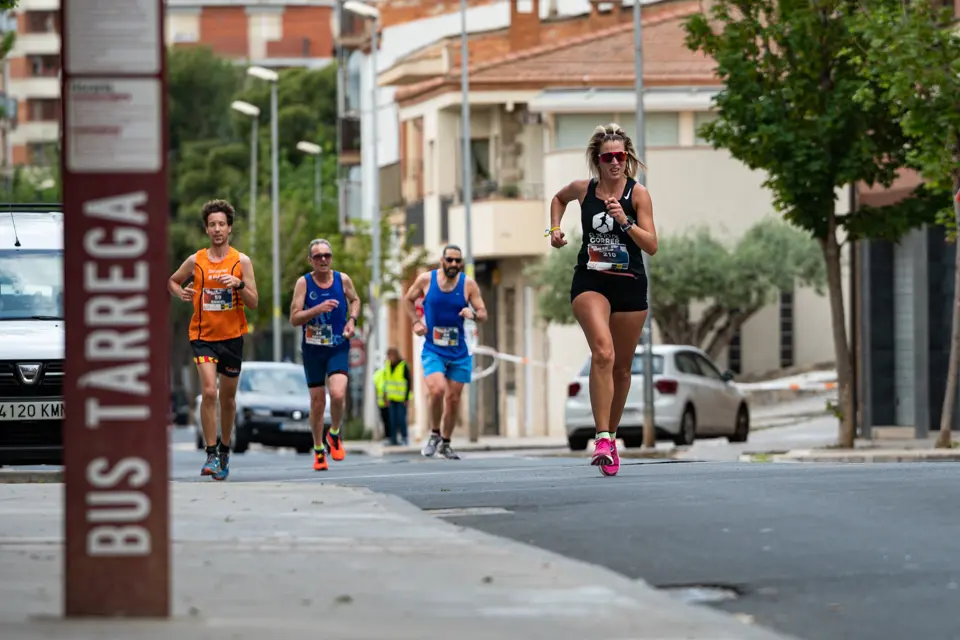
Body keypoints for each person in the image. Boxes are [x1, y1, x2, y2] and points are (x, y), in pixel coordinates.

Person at [547, 123, 658, 477]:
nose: (614, 162)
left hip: (629, 285)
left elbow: (652, 245)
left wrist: (625, 222)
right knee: (603, 352)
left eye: (620, 156)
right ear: (597, 160)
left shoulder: (638, 194)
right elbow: (558, 199)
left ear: (627, 159)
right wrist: (555, 230)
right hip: (591, 280)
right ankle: (602, 438)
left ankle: (611, 438)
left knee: (622, 368)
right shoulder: (584, 189)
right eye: (608, 157)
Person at [168, 199, 259, 481]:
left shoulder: (241, 261)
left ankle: (225, 450)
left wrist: (239, 285)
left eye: (221, 224)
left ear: (229, 228)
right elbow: (172, 281)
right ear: (206, 229)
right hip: (203, 336)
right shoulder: (196, 260)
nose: (217, 229)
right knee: (209, 392)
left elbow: (254, 302)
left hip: (232, 337)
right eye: (212, 225)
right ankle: (211, 453)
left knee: (227, 400)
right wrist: (181, 293)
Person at [402, 245, 488, 460]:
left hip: (459, 351)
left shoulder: (468, 284)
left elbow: (483, 313)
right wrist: (415, 322)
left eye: (457, 261)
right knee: (438, 389)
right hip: (433, 349)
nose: (453, 264)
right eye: (449, 260)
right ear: (442, 261)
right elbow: (408, 299)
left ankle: (446, 443)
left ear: (461, 263)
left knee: (453, 399)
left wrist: (472, 313)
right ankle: (434, 434)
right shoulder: (426, 280)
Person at [289, 239, 360, 471]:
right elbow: (294, 318)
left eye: (327, 255)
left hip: (338, 345)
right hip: (313, 350)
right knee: (318, 402)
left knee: (338, 394)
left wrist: (352, 320)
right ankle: (319, 449)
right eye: (318, 256)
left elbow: (355, 299)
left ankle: (335, 434)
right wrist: (317, 309)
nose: (323, 260)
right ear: (310, 260)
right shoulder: (304, 283)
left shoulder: (342, 280)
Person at [383, 347, 412, 446]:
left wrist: (406, 398)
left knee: (401, 419)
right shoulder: (387, 366)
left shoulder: (403, 366)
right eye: (388, 356)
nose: (390, 358)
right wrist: (385, 396)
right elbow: (386, 382)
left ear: (396, 355)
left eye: (391, 356)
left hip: (401, 398)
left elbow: (408, 382)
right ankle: (393, 439)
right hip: (391, 398)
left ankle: (404, 438)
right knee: (392, 420)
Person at [373, 364, 392, 444]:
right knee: (388, 420)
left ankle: (389, 436)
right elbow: (384, 387)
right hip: (385, 401)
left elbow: (378, 388)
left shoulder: (376, 375)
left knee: (386, 420)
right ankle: (389, 436)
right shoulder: (384, 372)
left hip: (383, 401)